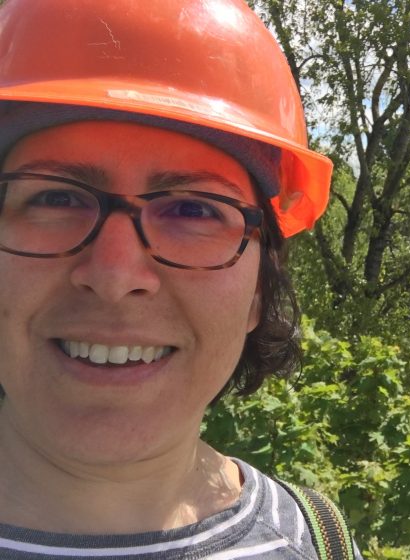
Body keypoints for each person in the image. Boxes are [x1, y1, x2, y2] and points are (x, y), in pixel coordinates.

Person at [0, 0, 362, 558]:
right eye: (56, 197)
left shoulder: (315, 541)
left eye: (194, 211)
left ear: (259, 289)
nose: (116, 275)